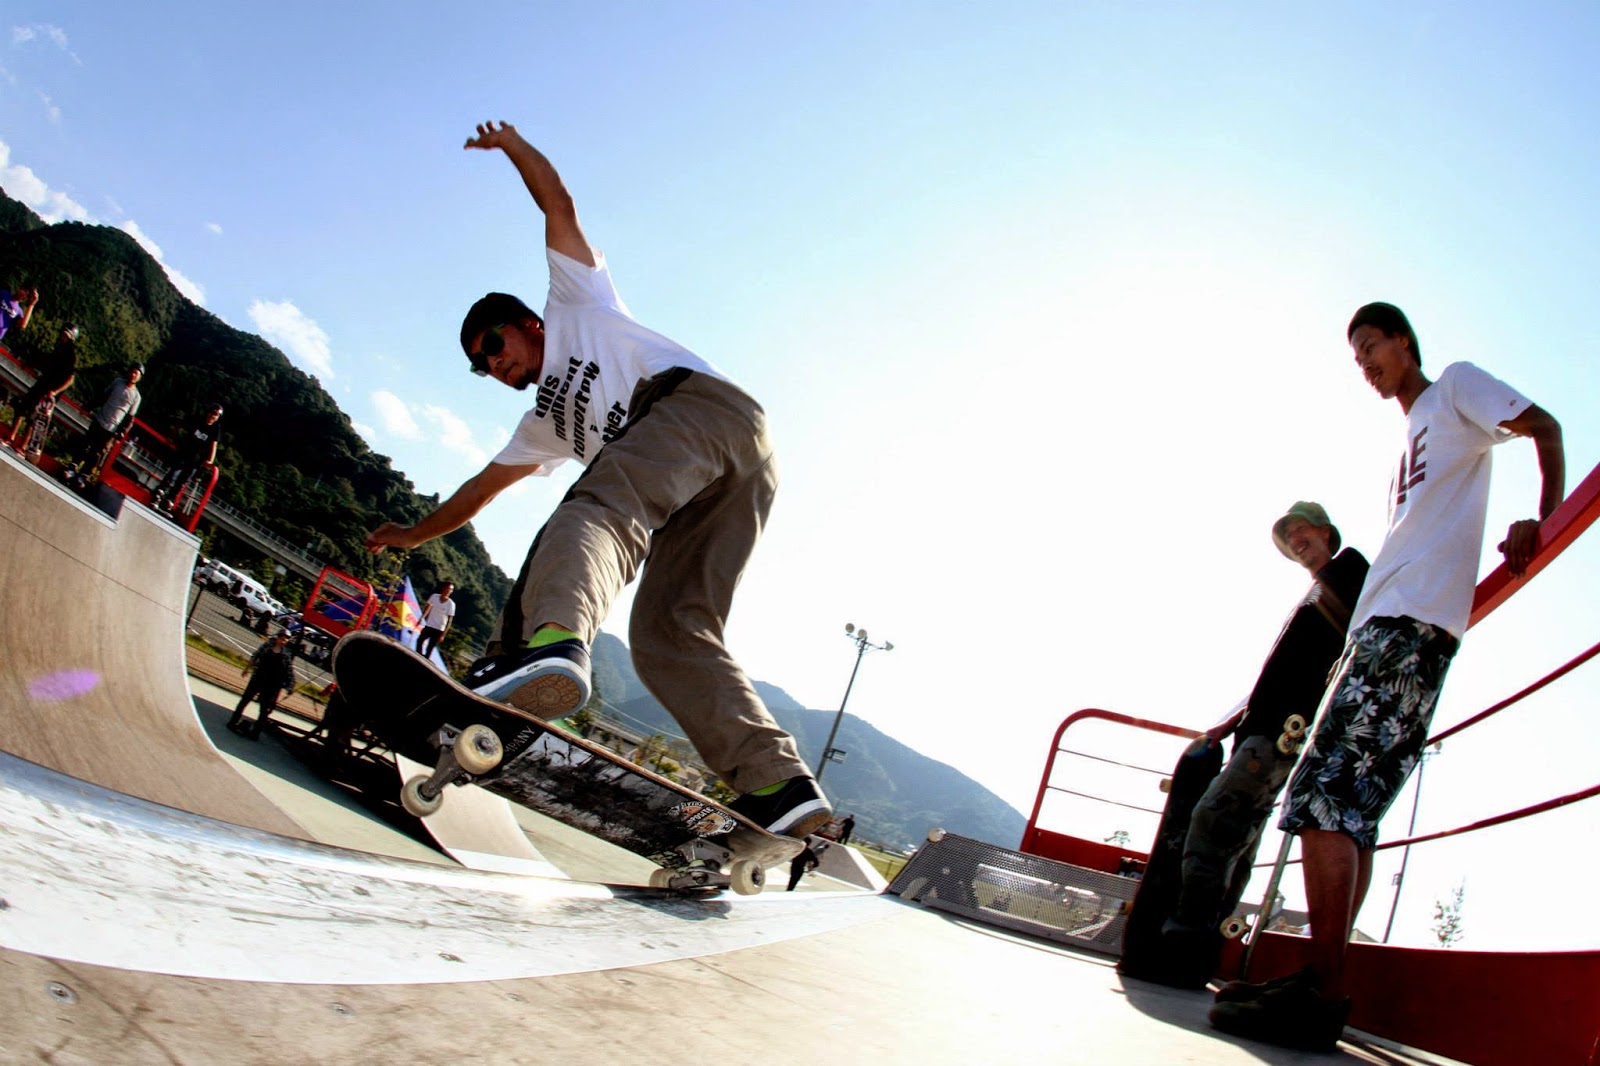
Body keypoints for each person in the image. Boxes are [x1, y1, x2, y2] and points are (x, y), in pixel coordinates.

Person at [364, 120, 829, 839]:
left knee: (596, 506)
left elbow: (557, 204)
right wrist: (407, 535)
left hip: (698, 409)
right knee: (669, 632)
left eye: (494, 345)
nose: (494, 365)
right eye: (481, 367)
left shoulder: (577, 303)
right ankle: (779, 785)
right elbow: (476, 495)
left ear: (527, 324)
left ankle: (547, 649)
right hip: (727, 477)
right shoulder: (541, 428)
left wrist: (512, 146)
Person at [1210, 303, 1565, 1051]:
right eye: (1357, 357)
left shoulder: (1455, 388)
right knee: (1353, 810)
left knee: (1321, 796)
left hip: (1408, 630)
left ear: (1405, 341)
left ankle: (1321, 993)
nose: (1366, 363)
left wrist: (1543, 516)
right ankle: (1320, 980)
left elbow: (1546, 427)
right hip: (1383, 631)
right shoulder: (1413, 434)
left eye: (1372, 345)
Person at [1143, 502, 1368, 987]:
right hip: (1262, 728)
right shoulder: (1316, 593)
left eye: (1301, 530)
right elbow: (1281, 669)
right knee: (1238, 841)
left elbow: (1364, 634)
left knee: (1213, 821)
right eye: (1288, 537)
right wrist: (1229, 724)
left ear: (1326, 533)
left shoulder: (1350, 569)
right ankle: (1201, 953)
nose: (1295, 540)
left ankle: (1185, 945)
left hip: (1281, 731)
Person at [67, 362, 144, 485]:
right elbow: (103, 396)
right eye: (132, 371)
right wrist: (90, 405)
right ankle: (72, 467)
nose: (133, 375)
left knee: (96, 453)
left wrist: (122, 431)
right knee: (86, 444)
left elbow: (130, 418)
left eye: (136, 373)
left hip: (112, 428)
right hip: (100, 419)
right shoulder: (118, 382)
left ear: (139, 377)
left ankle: (83, 475)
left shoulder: (136, 397)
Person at [5, 323, 79, 452]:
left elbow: (70, 379)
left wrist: (55, 392)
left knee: (34, 418)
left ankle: (22, 446)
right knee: (22, 407)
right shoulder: (59, 348)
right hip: (43, 383)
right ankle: (11, 437)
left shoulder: (70, 355)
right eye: (62, 334)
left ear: (71, 338)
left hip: (50, 391)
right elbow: (47, 363)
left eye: (66, 335)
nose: (62, 336)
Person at [152, 402, 223, 513]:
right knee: (173, 473)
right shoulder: (198, 420)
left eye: (216, 414)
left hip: (196, 460)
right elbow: (180, 424)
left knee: (183, 480)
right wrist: (172, 436)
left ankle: (170, 500)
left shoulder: (215, 429)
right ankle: (159, 493)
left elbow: (214, 445)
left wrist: (210, 461)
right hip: (184, 452)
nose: (212, 416)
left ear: (217, 417)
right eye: (212, 412)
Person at [229, 630, 297, 741]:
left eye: (286, 639)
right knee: (244, 700)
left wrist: (290, 687)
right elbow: (255, 656)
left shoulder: (286, 654)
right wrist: (247, 669)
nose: (283, 641)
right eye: (282, 638)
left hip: (271, 685)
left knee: (264, 710)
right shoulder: (267, 646)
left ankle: (255, 733)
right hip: (258, 679)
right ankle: (233, 722)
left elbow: (289, 671)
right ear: (278, 637)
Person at [417, 580, 457, 658]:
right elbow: (427, 608)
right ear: (443, 588)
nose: (449, 591)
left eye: (451, 589)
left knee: (430, 648)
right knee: (420, 640)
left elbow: (449, 621)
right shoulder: (434, 597)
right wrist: (422, 618)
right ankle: (418, 656)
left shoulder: (451, 604)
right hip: (429, 625)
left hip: (439, 629)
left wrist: (443, 635)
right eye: (448, 588)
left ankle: (425, 659)